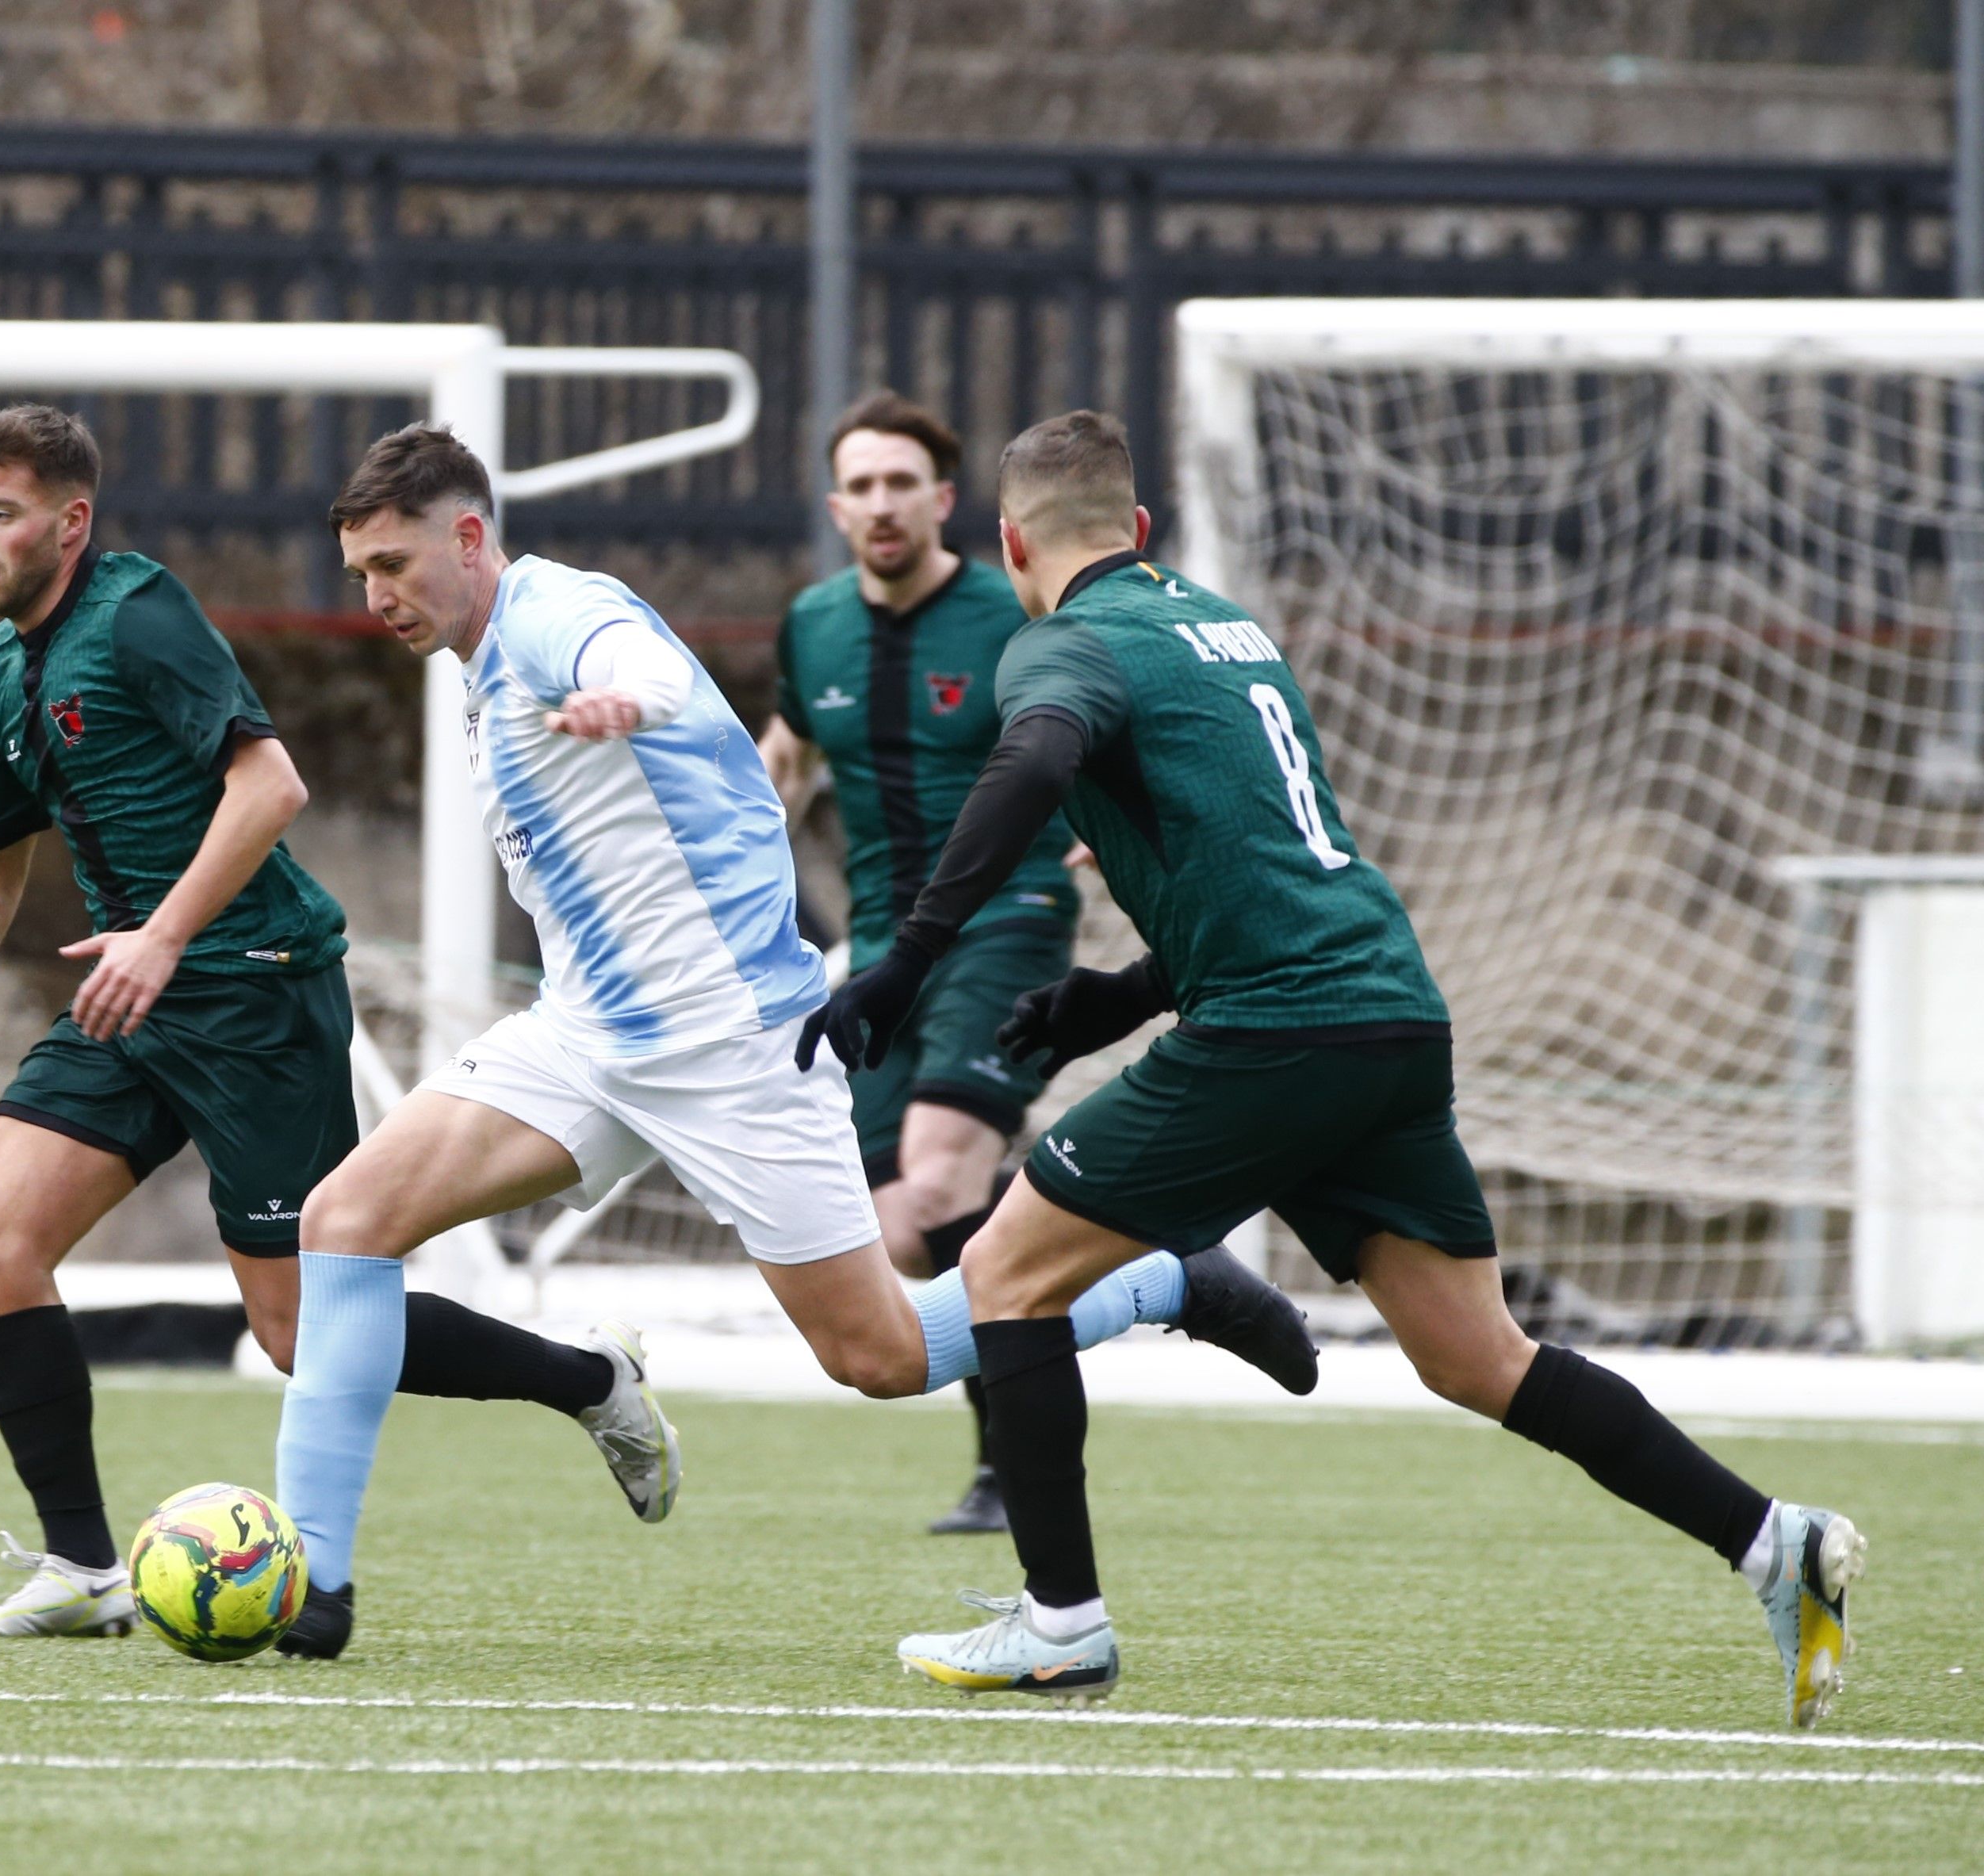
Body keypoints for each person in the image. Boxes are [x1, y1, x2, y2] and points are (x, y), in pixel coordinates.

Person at [806, 410, 1869, 1726]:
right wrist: (1115, 998)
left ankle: (1061, 1624)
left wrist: (903, 963)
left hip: (1275, 1031)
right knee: (1480, 1357)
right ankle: (1773, 1540)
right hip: (1385, 1020)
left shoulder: (1062, 642)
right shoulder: (1224, 626)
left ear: (1009, 542)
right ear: (1139, 531)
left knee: (1007, 1276)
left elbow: (1031, 755)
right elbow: (1267, 871)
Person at [267, 422, 1322, 1660]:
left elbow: (635, 662)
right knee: (343, 1223)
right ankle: (311, 1589)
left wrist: (628, 697)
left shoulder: (560, 614)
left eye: (394, 563)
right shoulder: (480, 656)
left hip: (734, 1047)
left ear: (468, 536)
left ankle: (1167, 1279)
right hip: (585, 1037)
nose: (379, 596)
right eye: (360, 578)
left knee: (878, 1353)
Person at [0, 404, 668, 1639]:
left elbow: (270, 783)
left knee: (296, 1331)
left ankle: (587, 1377)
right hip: (126, 991)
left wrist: (166, 933)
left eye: (0, 514)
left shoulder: (136, 612)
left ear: (70, 521)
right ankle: (83, 1569)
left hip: (254, 981)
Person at [759, 391, 1082, 1534]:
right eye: (864, 485)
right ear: (837, 504)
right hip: (885, 948)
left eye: (906, 483)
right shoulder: (813, 625)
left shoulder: (1013, 612)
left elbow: (1108, 723)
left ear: (944, 502)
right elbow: (785, 766)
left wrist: (1122, 819)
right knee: (899, 1227)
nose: (883, 504)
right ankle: (1114, 1259)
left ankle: (1128, 1298)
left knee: (939, 1178)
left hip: (1008, 920)